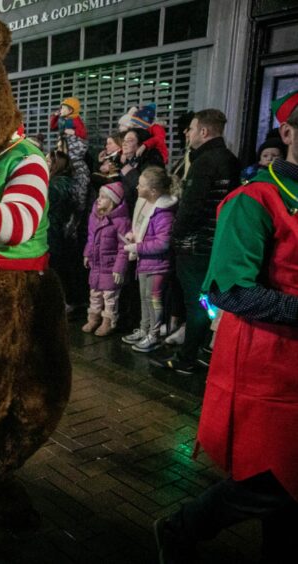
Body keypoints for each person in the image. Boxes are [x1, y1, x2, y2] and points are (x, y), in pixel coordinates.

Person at [153, 90, 298, 564]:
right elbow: (229, 291)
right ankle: (180, 528)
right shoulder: (255, 199)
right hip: (271, 369)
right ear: (289, 133)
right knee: (273, 481)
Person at [154, 109, 240, 374]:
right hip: (216, 246)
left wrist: (176, 236)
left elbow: (191, 208)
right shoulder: (230, 160)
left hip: (194, 249)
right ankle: (203, 350)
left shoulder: (204, 162)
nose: (187, 133)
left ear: (204, 131)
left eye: (190, 129)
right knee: (208, 301)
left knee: (198, 302)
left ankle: (187, 358)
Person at [121, 167, 177, 352]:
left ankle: (154, 334)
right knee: (145, 299)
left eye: (141, 185)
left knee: (154, 300)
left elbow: (163, 243)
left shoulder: (164, 213)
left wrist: (137, 247)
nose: (137, 187)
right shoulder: (149, 206)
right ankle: (145, 329)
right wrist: (133, 236)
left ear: (153, 191)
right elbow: (143, 231)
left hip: (157, 265)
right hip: (146, 263)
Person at [82, 181, 130, 336]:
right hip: (96, 264)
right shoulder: (94, 216)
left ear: (113, 201)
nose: (98, 200)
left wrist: (119, 268)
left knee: (110, 296)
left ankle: (108, 321)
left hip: (110, 266)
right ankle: (93, 318)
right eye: (99, 196)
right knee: (94, 292)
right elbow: (91, 237)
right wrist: (87, 253)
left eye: (103, 197)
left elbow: (124, 246)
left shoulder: (121, 221)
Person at [46, 150, 80, 311]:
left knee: (55, 267)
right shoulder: (69, 182)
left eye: (48, 161)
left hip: (52, 229)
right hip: (63, 229)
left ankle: (63, 301)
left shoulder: (54, 185)